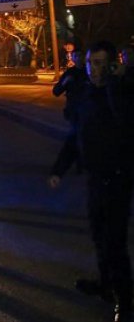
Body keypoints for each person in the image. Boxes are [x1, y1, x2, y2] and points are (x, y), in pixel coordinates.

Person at [49, 41, 134, 322]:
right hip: (96, 179)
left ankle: (125, 299)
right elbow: (75, 136)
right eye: (90, 63)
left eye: (100, 63)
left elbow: (125, 119)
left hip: (119, 179)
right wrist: (58, 170)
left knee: (114, 243)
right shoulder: (85, 96)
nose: (94, 69)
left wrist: (115, 82)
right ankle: (106, 286)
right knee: (99, 237)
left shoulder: (122, 93)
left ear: (112, 65)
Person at [49, 50, 87, 181]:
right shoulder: (70, 73)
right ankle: (79, 163)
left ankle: (83, 162)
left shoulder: (89, 72)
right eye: (76, 56)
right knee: (76, 137)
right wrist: (65, 83)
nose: (79, 59)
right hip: (74, 112)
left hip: (88, 111)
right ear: (73, 58)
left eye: (81, 56)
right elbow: (56, 91)